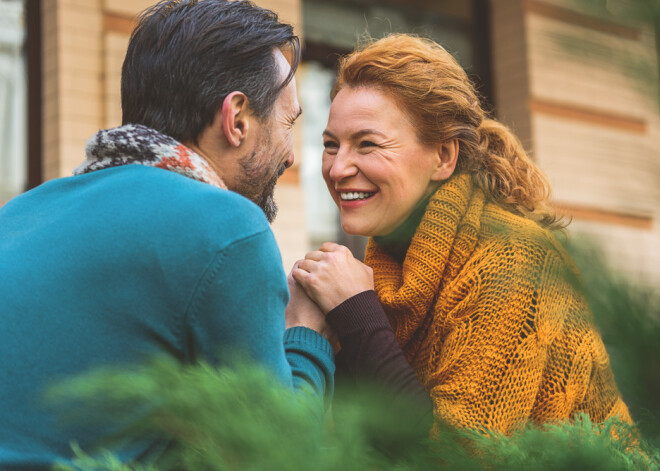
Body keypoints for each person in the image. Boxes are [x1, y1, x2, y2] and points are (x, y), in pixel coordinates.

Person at [0, 1, 334, 468]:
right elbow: (283, 455)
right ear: (236, 119)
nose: (291, 156)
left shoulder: (19, 213)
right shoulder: (227, 227)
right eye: (288, 123)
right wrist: (306, 331)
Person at [291, 34, 631, 436]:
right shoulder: (389, 267)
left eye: (367, 144)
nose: (337, 168)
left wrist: (356, 312)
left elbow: (457, 455)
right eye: (331, 145)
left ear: (444, 157)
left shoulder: (514, 258)